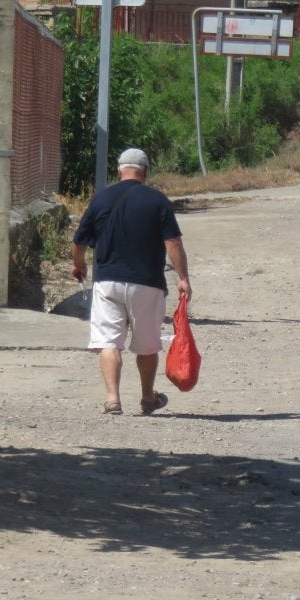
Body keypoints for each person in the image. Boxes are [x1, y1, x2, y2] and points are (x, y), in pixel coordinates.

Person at [70, 148, 193, 416]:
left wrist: (78, 265)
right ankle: (147, 399)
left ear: (119, 170)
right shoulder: (157, 200)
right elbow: (172, 241)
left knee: (109, 342)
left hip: (107, 282)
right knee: (147, 345)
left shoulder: (101, 199)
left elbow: (80, 241)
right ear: (145, 172)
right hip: (146, 283)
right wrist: (183, 278)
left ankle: (113, 400)